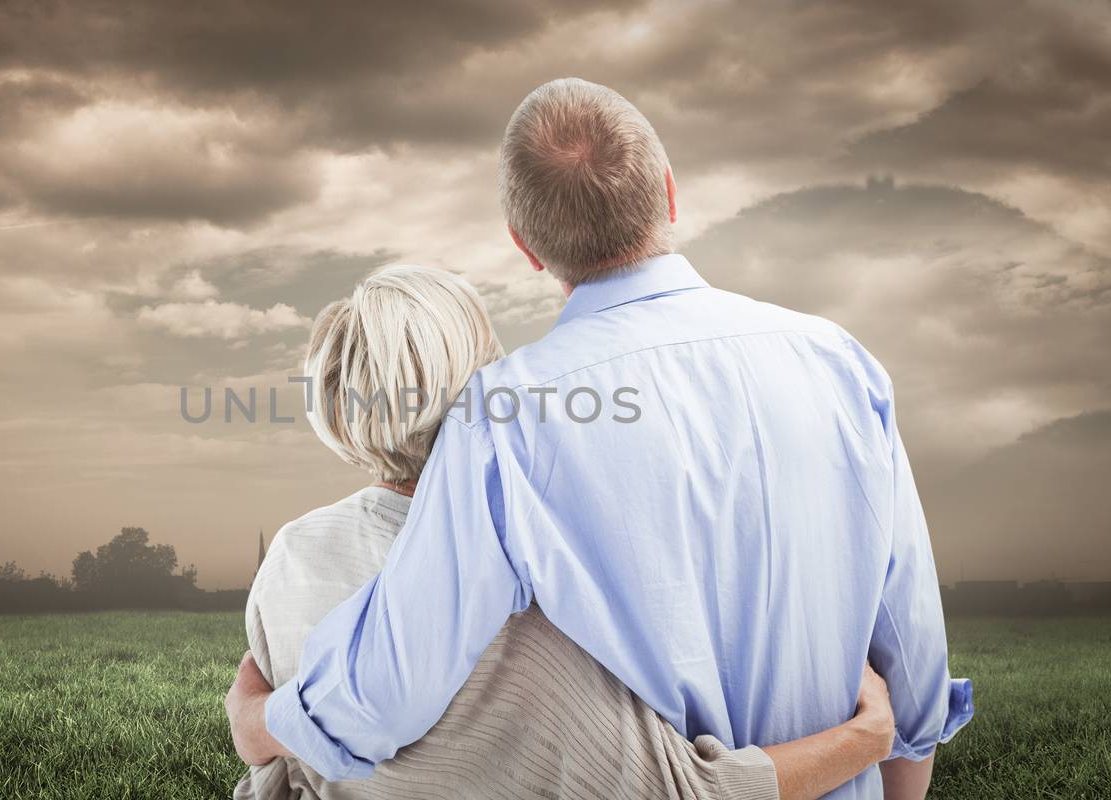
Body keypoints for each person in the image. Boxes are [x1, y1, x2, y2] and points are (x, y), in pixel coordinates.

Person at [228, 79, 973, 799]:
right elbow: (911, 659)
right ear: (670, 192)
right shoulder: (840, 362)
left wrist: (262, 722)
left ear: (526, 247)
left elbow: (388, 689)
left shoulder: (504, 417)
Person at [234, 264, 898, 800]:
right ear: (485, 382)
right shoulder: (540, 586)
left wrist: (257, 725)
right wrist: (869, 735)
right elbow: (693, 793)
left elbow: (280, 779)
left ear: (333, 406)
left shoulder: (290, 558)